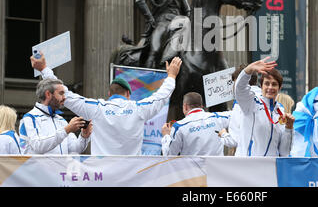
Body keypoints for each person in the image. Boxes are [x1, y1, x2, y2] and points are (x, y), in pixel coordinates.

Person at [30, 52, 182, 155]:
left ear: (109, 94)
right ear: (128, 94)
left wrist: (44, 69)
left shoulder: (97, 108)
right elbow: (162, 96)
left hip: (102, 178)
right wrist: (171, 75)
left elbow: (65, 95)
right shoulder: (139, 109)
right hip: (133, 178)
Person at [233, 57, 295, 157]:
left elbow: (284, 152)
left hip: (269, 167)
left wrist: (289, 128)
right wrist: (249, 70)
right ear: (261, 86)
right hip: (248, 166)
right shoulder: (251, 102)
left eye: (274, 84)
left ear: (280, 88)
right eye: (267, 83)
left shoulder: (280, 111)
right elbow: (239, 88)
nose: (270, 87)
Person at [19, 78, 92, 155]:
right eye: (61, 93)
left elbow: (74, 149)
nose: (64, 98)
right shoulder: (29, 118)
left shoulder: (61, 120)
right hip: (36, 167)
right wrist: (66, 130)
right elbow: (38, 146)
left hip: (61, 167)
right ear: (48, 94)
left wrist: (84, 136)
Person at [161, 92, 231, 156]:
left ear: (185, 106)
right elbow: (237, 114)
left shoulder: (179, 127)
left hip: (192, 169)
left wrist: (166, 136)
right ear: (201, 106)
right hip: (216, 168)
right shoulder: (218, 117)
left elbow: (168, 155)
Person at [219, 65, 261, 154]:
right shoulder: (267, 100)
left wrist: (223, 134)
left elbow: (234, 140)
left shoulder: (240, 104)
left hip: (247, 158)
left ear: (239, 83)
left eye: (234, 83)